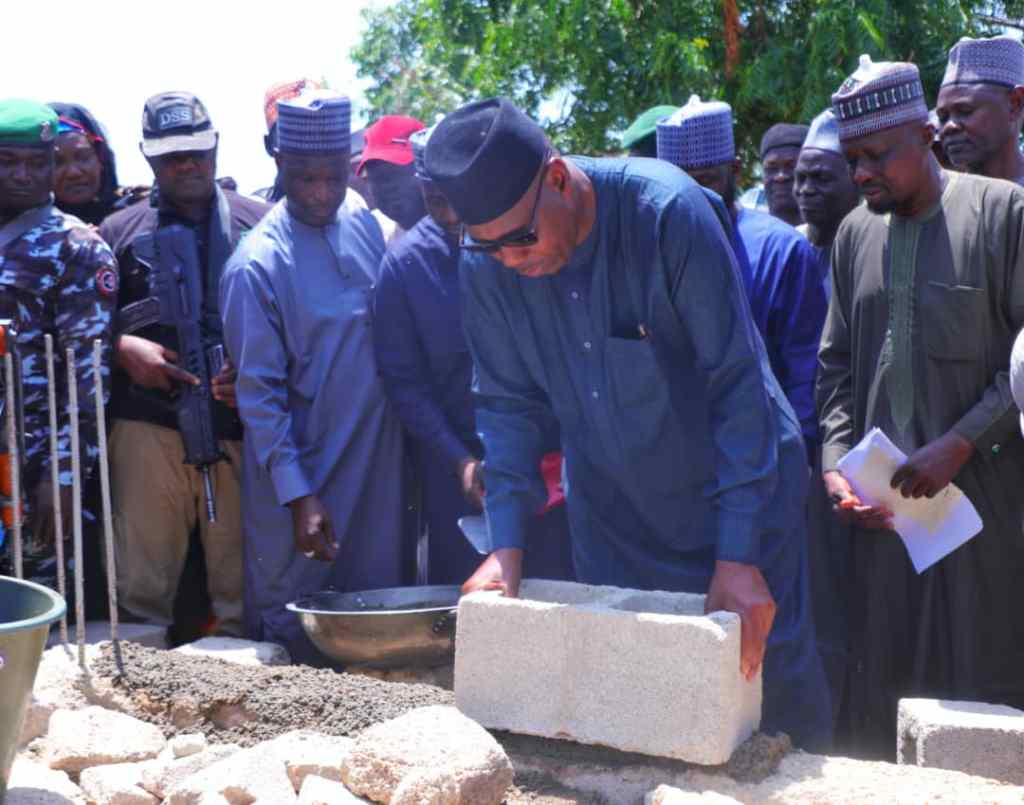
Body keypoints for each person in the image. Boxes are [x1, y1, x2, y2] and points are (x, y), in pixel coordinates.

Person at [433, 97, 830, 749]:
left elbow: (737, 385)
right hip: (618, 514)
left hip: (740, 491)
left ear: (557, 178)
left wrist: (737, 553)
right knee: (636, 706)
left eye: (520, 239)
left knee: (765, 690)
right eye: (488, 246)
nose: (509, 261)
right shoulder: (487, 262)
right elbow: (505, 406)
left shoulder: (667, 214)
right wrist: (505, 548)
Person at [818, 55, 1024, 758]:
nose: (861, 174)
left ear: (924, 135)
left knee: (976, 698)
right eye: (853, 159)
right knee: (879, 706)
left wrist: (962, 443)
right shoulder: (853, 235)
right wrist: (835, 469)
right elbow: (836, 368)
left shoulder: (1003, 216)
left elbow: (1021, 370)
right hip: (881, 531)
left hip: (984, 520)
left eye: (875, 155)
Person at [221, 90, 405, 663]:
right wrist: (299, 495)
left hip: (377, 469)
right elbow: (260, 397)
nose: (321, 193)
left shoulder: (360, 222)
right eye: (305, 179)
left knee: (377, 621)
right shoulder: (257, 266)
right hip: (306, 479)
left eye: (333, 177)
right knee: (298, 628)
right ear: (280, 167)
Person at [99, 91, 269, 637]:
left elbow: (298, 328)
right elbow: (78, 326)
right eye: (171, 155)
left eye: (196, 150)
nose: (187, 163)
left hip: (243, 432)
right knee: (139, 591)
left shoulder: (261, 225)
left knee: (243, 591)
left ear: (216, 145)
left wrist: (256, 377)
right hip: (147, 431)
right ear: (148, 156)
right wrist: (121, 348)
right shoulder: (115, 232)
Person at [374, 125, 574, 585]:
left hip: (553, 471)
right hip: (461, 477)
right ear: (419, 189)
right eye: (434, 197)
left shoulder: (522, 235)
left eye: (456, 195)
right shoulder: (403, 267)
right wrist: (459, 460)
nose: (449, 211)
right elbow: (405, 385)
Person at [656, 96, 828, 462]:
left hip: (767, 456)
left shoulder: (782, 252)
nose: (689, 197)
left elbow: (805, 374)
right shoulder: (652, 255)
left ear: (734, 171)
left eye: (704, 183)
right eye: (677, 184)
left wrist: (797, 459)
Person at [0, 99, 117, 600]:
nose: (25, 175)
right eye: (9, 162)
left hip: (28, 475)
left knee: (27, 620)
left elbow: (87, 377)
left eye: (38, 162)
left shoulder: (76, 247)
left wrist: (63, 474)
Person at [936, 35, 1024, 185]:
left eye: (965, 111)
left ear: (1015, 104)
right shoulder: (941, 201)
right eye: (943, 117)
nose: (948, 127)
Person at [793, 109, 861, 292]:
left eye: (821, 178)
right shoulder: (789, 247)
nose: (806, 189)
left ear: (855, 179)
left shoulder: (872, 248)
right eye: (800, 178)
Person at [46, 103, 127, 225]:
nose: (73, 172)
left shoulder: (134, 219)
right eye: (57, 162)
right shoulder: (26, 230)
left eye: (83, 158)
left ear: (101, 158)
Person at [357, 115, 427, 232]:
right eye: (377, 178)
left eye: (396, 174)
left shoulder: (463, 229)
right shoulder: (375, 235)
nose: (387, 187)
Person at [760, 122, 809, 226]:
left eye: (791, 166)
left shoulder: (834, 235)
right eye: (771, 168)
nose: (780, 176)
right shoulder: (752, 234)